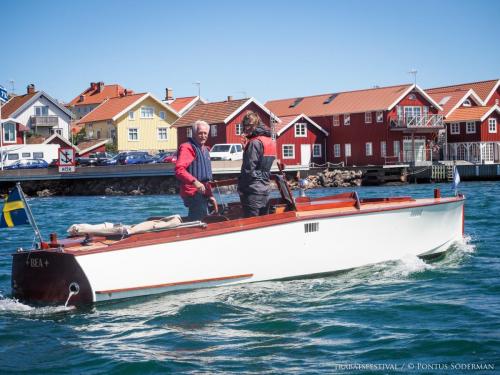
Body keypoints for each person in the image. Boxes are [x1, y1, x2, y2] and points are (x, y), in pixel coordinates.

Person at [175, 120, 217, 221]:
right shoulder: (188, 147)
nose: (203, 136)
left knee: (207, 218)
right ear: (194, 134)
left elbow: (206, 179)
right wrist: (195, 182)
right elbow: (179, 170)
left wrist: (210, 195)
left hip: (203, 193)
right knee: (199, 221)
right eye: (200, 133)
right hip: (192, 192)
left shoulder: (206, 149)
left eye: (205, 133)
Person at [238, 111, 277, 217]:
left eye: (249, 125)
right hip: (265, 189)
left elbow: (248, 169)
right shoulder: (270, 141)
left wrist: (241, 188)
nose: (246, 128)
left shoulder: (254, 143)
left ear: (256, 124)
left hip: (252, 191)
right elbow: (261, 165)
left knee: (251, 224)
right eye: (245, 125)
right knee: (263, 223)